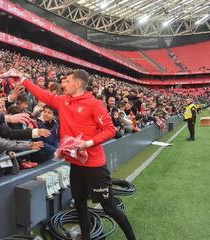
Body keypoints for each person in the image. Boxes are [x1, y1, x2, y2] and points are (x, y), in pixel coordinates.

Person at [19, 69, 136, 240]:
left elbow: (110, 130)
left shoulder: (95, 104)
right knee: (79, 205)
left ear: (78, 83)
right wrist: (23, 80)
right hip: (76, 165)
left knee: (110, 208)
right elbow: (44, 95)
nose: (63, 84)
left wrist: (86, 144)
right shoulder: (64, 101)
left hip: (94, 166)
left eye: (67, 81)